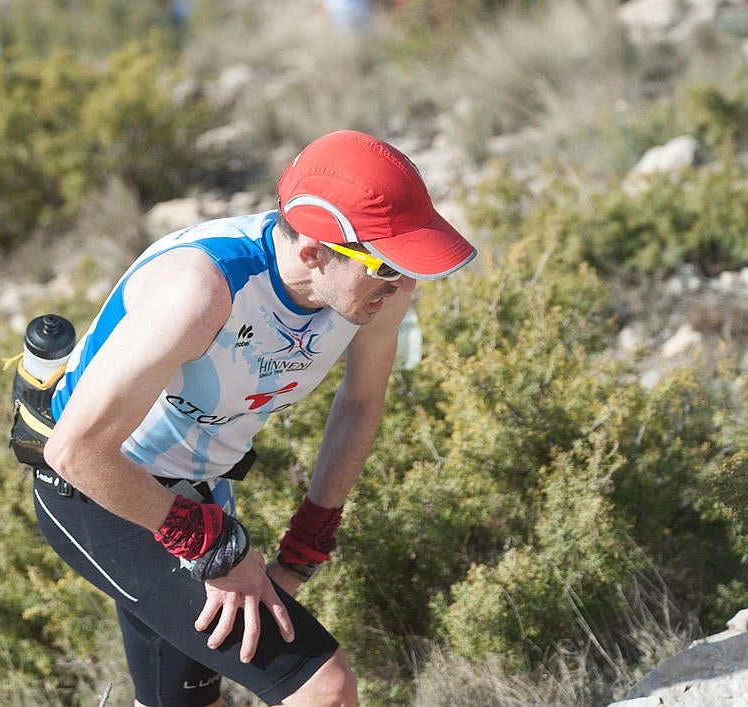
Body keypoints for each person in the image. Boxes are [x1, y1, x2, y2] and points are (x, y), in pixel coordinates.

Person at [32, 130, 476, 706]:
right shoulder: (200, 290)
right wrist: (211, 547)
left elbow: (361, 402)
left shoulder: (370, 293)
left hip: (200, 495)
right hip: (99, 491)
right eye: (388, 266)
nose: (404, 286)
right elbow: (76, 452)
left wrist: (309, 538)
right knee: (325, 687)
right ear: (314, 252)